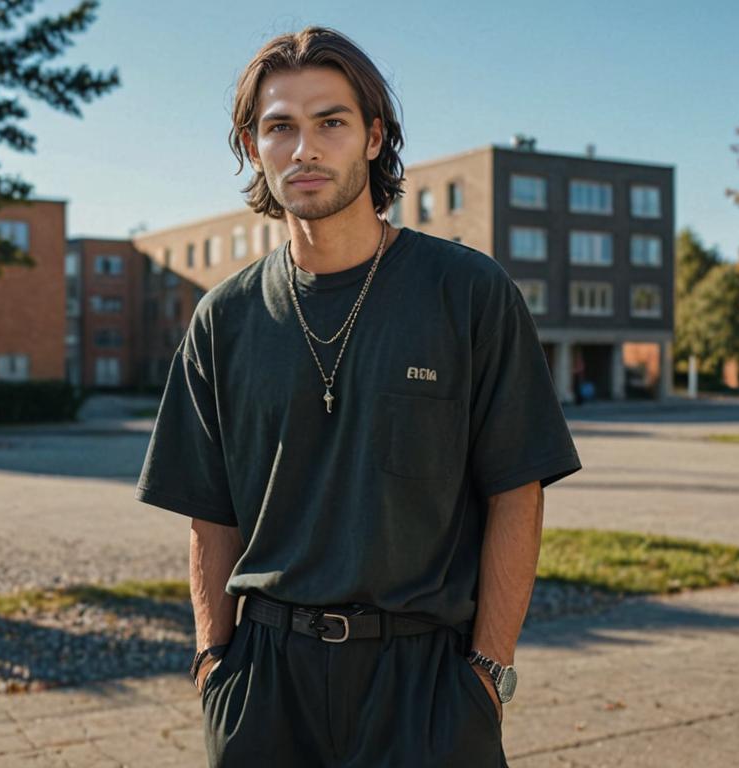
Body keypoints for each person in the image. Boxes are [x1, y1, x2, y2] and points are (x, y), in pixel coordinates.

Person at [135, 25, 582, 768]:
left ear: (374, 138)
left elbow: (517, 491)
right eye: (280, 126)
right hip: (266, 685)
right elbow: (208, 514)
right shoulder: (225, 317)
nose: (304, 149)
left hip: (427, 686)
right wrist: (214, 664)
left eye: (330, 122)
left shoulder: (466, 292)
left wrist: (489, 674)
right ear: (253, 147)